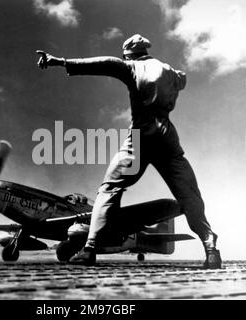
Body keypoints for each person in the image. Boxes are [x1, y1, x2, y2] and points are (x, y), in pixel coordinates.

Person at [36, 34, 222, 269]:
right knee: (189, 194)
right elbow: (182, 80)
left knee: (110, 188)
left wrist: (59, 61)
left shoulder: (130, 66)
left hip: (140, 138)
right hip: (167, 139)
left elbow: (103, 64)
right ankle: (210, 246)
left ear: (128, 54)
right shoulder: (170, 72)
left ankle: (90, 248)